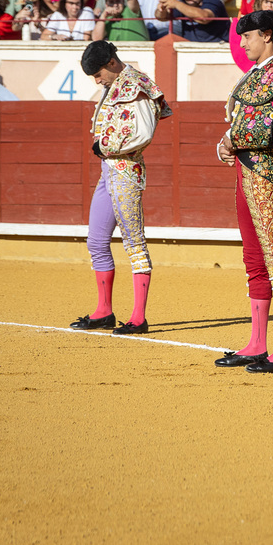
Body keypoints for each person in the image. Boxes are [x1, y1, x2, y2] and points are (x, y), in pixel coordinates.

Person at [212, 10, 273, 371]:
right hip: (245, 169)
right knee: (254, 257)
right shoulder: (253, 77)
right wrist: (226, 142)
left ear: (267, 35)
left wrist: (231, 139)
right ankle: (256, 342)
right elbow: (241, 123)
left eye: (247, 36)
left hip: (264, 169)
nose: (242, 42)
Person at [70, 41, 171, 336]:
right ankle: (104, 311)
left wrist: (104, 146)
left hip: (126, 171)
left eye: (98, 73)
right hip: (109, 171)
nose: (97, 80)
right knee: (96, 241)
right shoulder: (116, 85)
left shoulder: (136, 85)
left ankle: (139, 317)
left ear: (112, 62)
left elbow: (143, 132)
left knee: (133, 242)